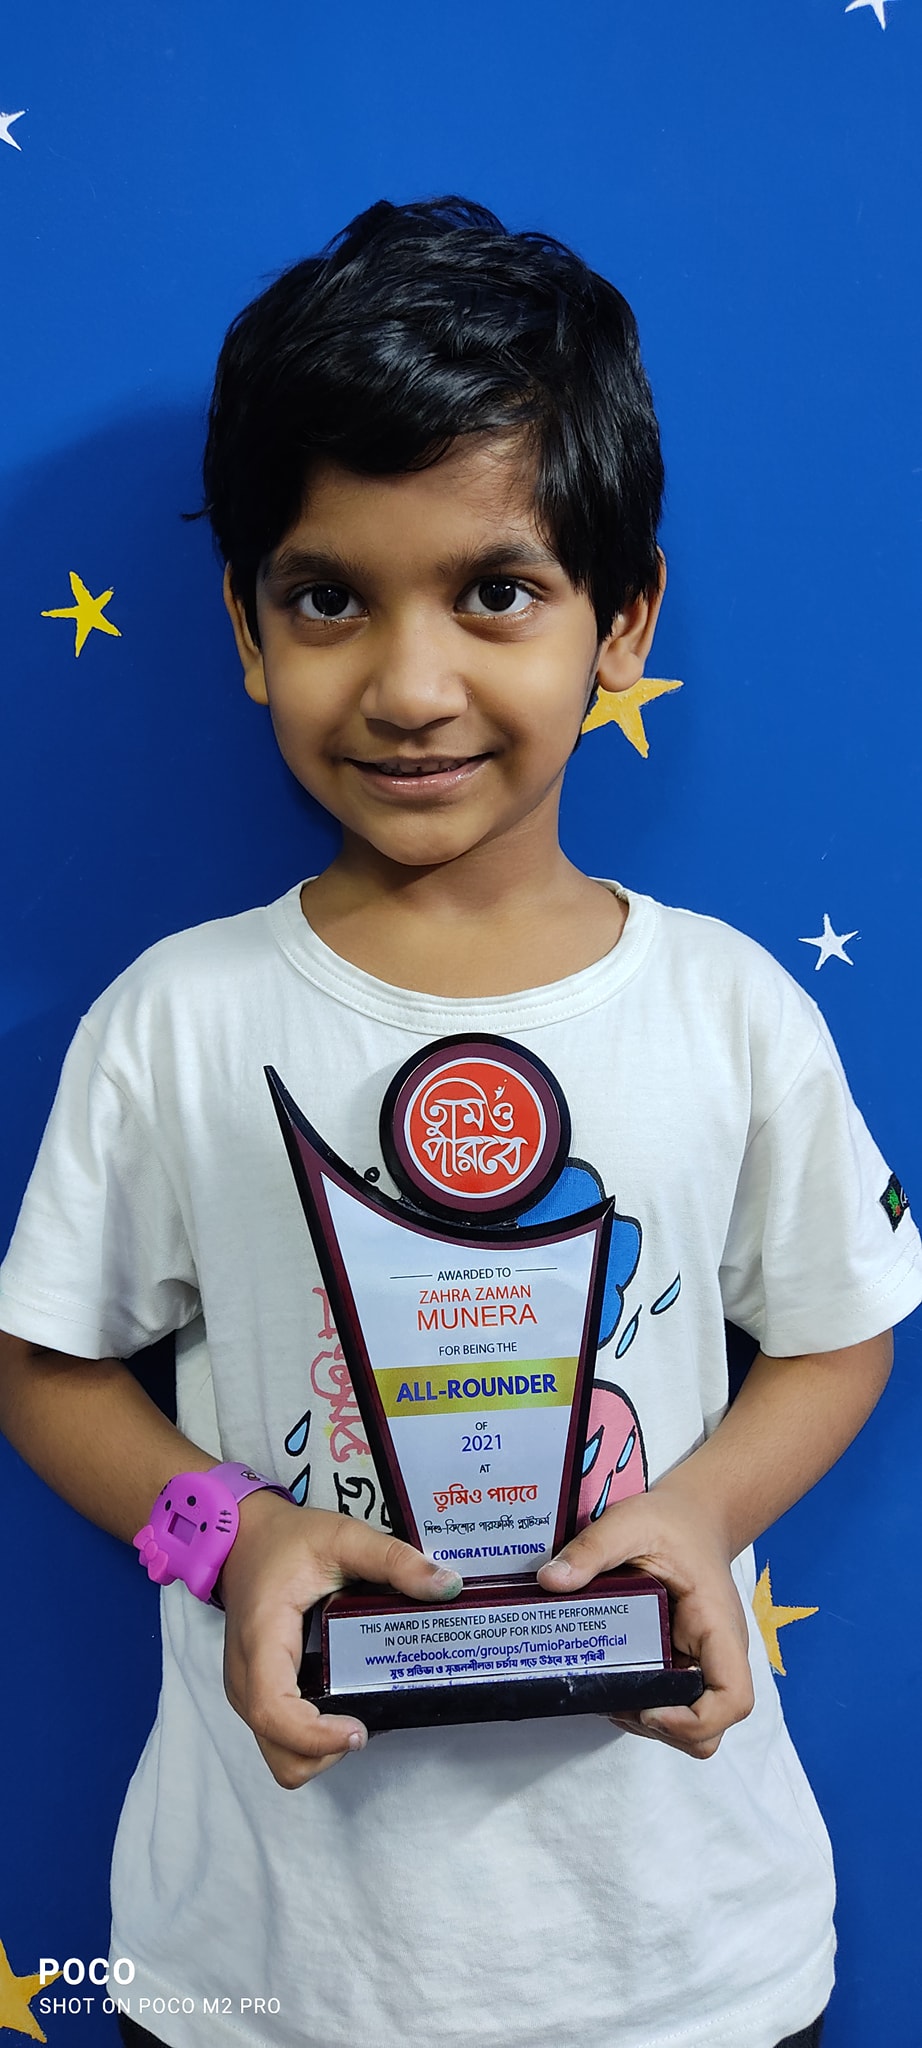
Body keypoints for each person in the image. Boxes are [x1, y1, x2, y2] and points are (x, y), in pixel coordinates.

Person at [0, 195, 919, 2048]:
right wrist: (230, 1537)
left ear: (621, 619)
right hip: (266, 1966)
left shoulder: (732, 1007)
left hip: (684, 1962)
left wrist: (695, 1514)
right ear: (247, 628)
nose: (410, 688)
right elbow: (47, 1371)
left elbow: (839, 1331)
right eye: (327, 598)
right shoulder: (175, 1020)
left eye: (495, 592)